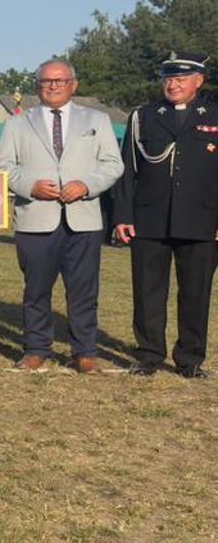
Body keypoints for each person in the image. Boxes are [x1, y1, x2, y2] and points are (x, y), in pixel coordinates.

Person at [0, 58, 123, 372]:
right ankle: (37, 349)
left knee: (83, 291)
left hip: (83, 219)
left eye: (60, 80)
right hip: (35, 219)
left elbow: (113, 164)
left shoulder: (97, 120)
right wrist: (30, 186)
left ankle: (85, 352)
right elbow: (2, 167)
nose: (53, 86)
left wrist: (87, 185)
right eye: (46, 81)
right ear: (38, 86)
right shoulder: (17, 123)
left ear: (73, 85)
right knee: (36, 290)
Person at [114, 52, 218, 378]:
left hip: (202, 220)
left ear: (199, 81)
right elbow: (127, 170)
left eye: (180, 79)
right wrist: (123, 216)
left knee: (196, 293)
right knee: (147, 291)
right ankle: (149, 355)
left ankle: (190, 359)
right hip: (150, 220)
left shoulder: (215, 115)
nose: (173, 85)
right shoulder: (143, 116)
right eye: (168, 79)